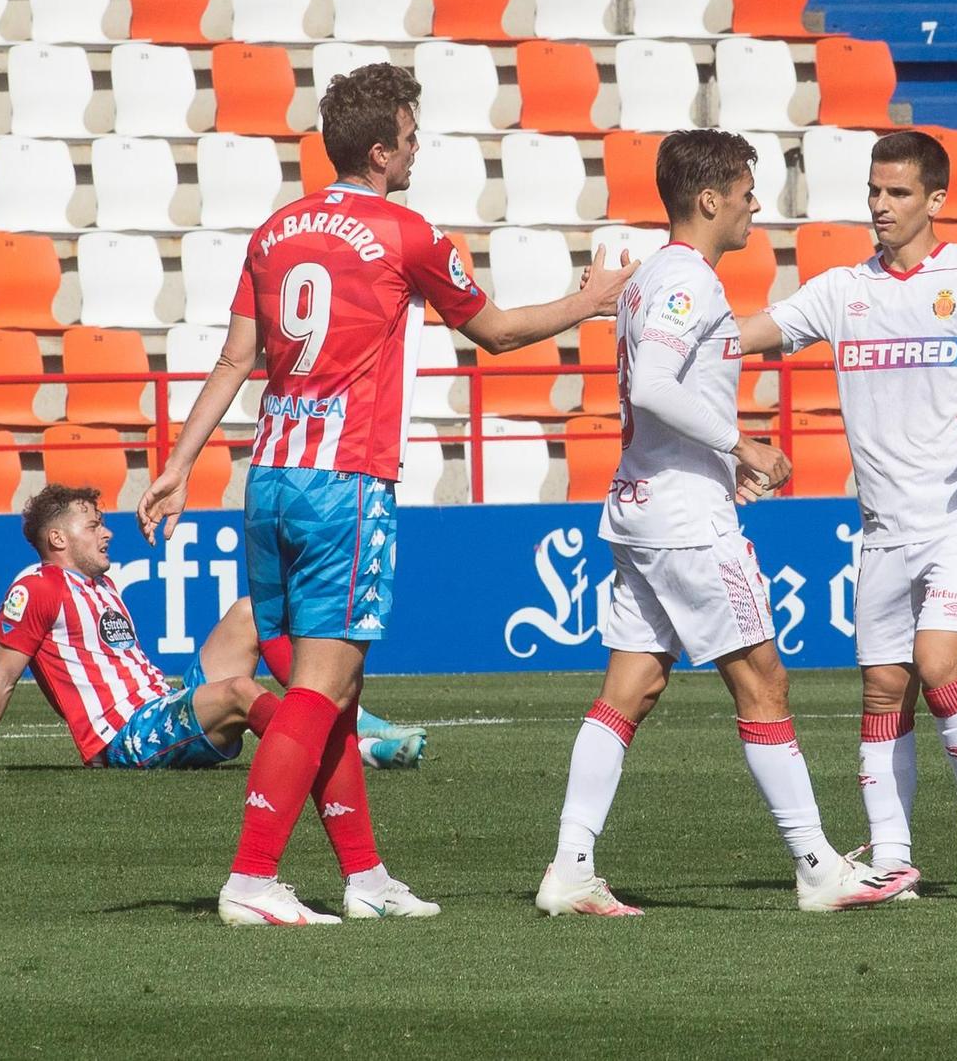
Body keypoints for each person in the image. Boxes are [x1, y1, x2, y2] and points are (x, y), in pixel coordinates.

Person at [138, 63, 630, 927]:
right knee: (320, 689)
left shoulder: (276, 229)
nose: (417, 147)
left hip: (270, 479)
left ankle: (365, 875)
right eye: (409, 134)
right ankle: (253, 877)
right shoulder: (407, 234)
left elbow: (233, 360)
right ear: (379, 149)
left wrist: (178, 462)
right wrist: (590, 300)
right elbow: (498, 333)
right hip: (345, 484)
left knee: (338, 687)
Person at [536, 129, 918, 917]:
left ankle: (571, 864)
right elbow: (653, 386)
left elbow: (665, 390)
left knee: (630, 688)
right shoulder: (685, 282)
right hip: (682, 519)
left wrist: (722, 457)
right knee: (762, 680)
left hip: (643, 505)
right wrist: (739, 441)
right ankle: (817, 865)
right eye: (745, 189)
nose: (755, 204)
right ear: (709, 198)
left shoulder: (652, 279)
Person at [734, 130, 957, 900]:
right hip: (885, 529)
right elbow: (746, 335)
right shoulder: (844, 290)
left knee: (940, 665)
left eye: (899, 192)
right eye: (875, 190)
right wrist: (657, 313)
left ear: (936, 199)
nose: (881, 204)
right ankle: (892, 854)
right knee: (885, 686)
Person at [0, 485, 423, 778]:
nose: (107, 532)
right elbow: (1, 680)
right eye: (93, 526)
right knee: (242, 692)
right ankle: (346, 749)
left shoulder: (102, 585)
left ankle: (352, 717)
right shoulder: (37, 588)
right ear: (57, 538)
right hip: (125, 739)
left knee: (250, 612)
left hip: (164, 705)